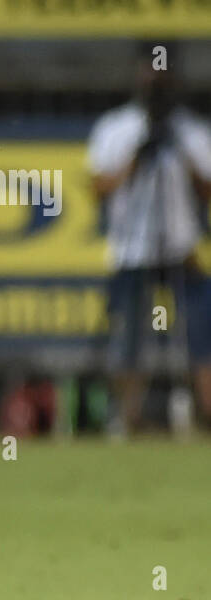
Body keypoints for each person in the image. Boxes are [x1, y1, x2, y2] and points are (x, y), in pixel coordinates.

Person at [87, 47, 211, 435]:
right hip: (132, 248)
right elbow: (98, 186)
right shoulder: (117, 128)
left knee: (201, 334)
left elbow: (207, 188)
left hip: (180, 246)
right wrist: (137, 157)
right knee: (128, 336)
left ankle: (203, 415)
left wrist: (179, 152)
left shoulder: (190, 131)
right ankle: (127, 418)